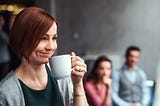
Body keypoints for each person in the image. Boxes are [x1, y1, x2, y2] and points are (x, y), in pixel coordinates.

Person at [0, 7, 88, 106]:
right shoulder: (5, 93)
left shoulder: (62, 77)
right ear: (22, 39)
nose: (51, 47)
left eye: (54, 38)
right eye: (43, 38)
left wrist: (78, 84)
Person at [0, 14, 11, 80]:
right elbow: (7, 41)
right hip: (3, 59)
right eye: (1, 19)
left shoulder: (3, 30)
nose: (3, 21)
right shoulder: (1, 31)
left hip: (5, 58)